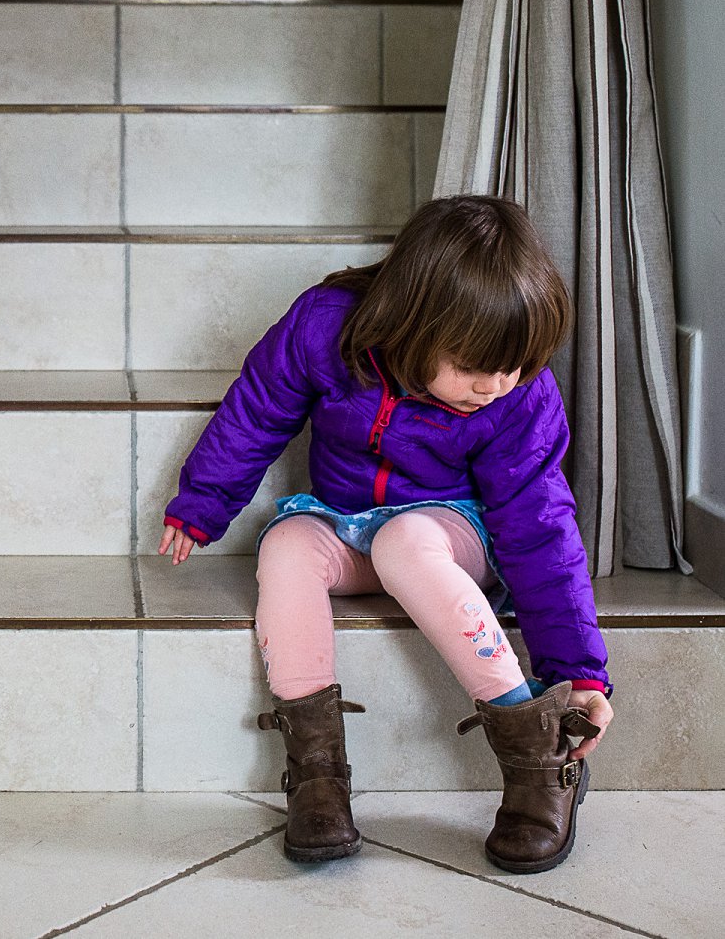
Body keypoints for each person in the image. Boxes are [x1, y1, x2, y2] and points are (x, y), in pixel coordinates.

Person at [157, 195, 614, 875]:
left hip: (449, 533)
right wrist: (202, 502)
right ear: (413, 321)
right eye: (471, 365)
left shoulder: (516, 396)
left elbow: (540, 525)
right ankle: (317, 775)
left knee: (405, 539)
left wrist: (577, 668)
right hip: (344, 518)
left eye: (512, 368)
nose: (493, 386)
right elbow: (258, 410)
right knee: (284, 546)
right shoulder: (326, 327)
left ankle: (535, 758)